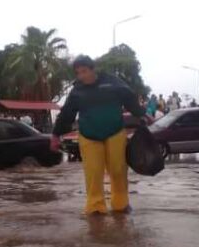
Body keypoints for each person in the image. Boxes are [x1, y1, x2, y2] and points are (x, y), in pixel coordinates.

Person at [52, 55, 150, 215]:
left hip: (115, 132)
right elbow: (66, 114)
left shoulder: (113, 83)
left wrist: (141, 113)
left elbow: (129, 98)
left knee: (118, 170)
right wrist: (56, 135)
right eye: (78, 73)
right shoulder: (77, 91)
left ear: (93, 69)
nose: (82, 76)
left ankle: (121, 204)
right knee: (93, 173)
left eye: (84, 71)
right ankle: (95, 207)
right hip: (88, 135)